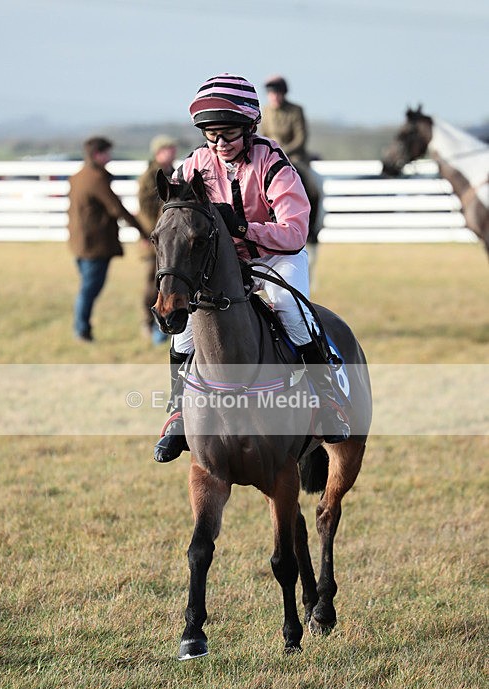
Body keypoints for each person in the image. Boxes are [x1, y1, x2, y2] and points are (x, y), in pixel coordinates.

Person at [154, 73, 350, 463]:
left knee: (289, 309)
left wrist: (243, 227)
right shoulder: (195, 163)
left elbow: (295, 232)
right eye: (211, 135)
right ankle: (178, 412)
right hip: (223, 266)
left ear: (250, 127)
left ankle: (327, 399)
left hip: (276, 256)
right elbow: (176, 212)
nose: (219, 144)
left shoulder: (273, 162)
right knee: (186, 333)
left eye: (228, 135)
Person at [68, 136, 148, 341]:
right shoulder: (96, 179)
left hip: (79, 241)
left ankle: (81, 327)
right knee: (90, 288)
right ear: (97, 154)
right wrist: (143, 231)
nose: (109, 157)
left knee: (87, 287)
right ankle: (81, 329)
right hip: (95, 243)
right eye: (107, 153)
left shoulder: (78, 176)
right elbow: (117, 208)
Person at [260, 75, 323, 248]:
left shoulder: (296, 110)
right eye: (271, 93)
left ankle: (313, 228)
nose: (274, 97)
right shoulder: (265, 111)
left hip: (295, 158)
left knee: (313, 188)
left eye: (277, 93)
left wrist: (282, 152)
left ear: (283, 94)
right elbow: (262, 136)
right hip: (270, 158)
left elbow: (300, 138)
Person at [137, 134, 177, 343]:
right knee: (151, 284)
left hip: (167, 241)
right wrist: (151, 234)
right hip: (154, 239)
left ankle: (162, 325)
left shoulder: (173, 172)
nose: (173, 151)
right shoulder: (151, 175)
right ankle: (147, 322)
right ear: (158, 152)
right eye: (168, 148)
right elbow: (144, 209)